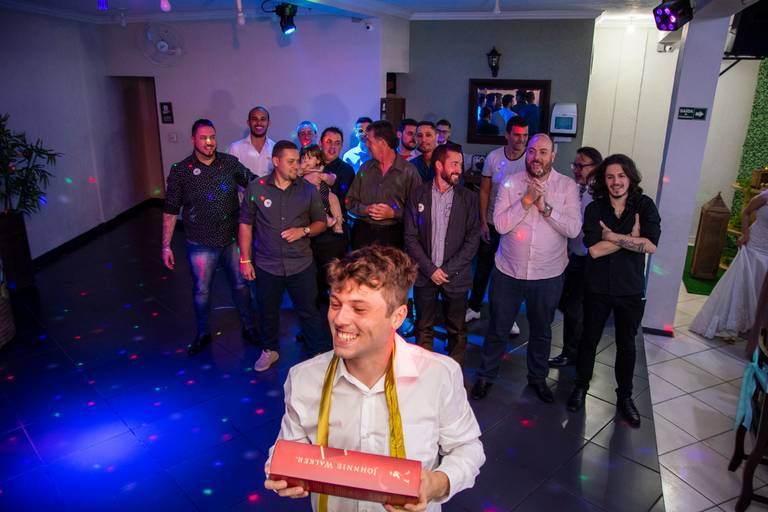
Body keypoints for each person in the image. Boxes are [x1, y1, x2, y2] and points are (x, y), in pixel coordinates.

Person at [263, 246, 485, 511]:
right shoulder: (303, 378)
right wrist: (280, 467)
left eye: (359, 309)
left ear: (398, 317)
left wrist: (436, 483)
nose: (339, 319)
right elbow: (288, 446)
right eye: (335, 304)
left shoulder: (439, 375)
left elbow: (467, 448)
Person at [471, 134, 581, 403]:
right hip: (508, 271)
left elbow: (573, 229)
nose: (536, 157)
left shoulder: (567, 186)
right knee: (498, 327)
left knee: (541, 330)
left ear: (553, 155)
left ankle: (538, 378)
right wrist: (526, 201)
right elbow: (500, 225)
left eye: (543, 152)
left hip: (548, 274)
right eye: (532, 151)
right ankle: (486, 376)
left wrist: (545, 208)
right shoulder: (511, 182)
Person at [567, 154, 661, 427]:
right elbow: (594, 251)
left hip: (630, 289)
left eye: (621, 176)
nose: (616, 181)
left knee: (626, 345)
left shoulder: (645, 205)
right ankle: (580, 387)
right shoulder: (594, 208)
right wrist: (632, 239)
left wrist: (612, 237)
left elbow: (651, 246)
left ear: (630, 177)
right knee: (588, 340)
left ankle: (625, 397)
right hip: (597, 287)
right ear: (603, 180)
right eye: (610, 177)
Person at [162, 119, 256, 355]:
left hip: (231, 238)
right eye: (203, 138)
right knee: (202, 291)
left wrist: (282, 180)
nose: (209, 142)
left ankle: (250, 327)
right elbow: (170, 210)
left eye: (212, 137)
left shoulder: (229, 163)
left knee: (241, 286)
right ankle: (203, 333)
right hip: (200, 243)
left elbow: (254, 182)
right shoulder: (181, 171)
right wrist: (166, 246)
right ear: (193, 140)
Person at [238, 140, 331, 371]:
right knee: (267, 311)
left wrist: (304, 230)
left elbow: (321, 222)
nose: (296, 166)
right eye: (291, 161)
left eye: (297, 161)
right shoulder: (256, 188)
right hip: (267, 265)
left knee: (309, 311)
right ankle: (269, 350)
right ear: (276, 161)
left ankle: (317, 353)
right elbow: (245, 224)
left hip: (301, 263)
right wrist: (245, 259)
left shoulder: (308, 189)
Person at [404, 143, 480, 365]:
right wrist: (430, 270)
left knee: (457, 330)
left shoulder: (468, 198)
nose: (459, 169)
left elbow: (472, 240)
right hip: (424, 276)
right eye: (454, 164)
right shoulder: (417, 195)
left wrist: (445, 271)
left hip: (455, 277)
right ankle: (424, 373)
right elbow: (410, 238)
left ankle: (454, 373)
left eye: (460, 164)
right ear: (439, 165)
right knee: (423, 327)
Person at [466, 117, 529, 335]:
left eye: (525, 135)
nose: (521, 140)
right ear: (507, 135)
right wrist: (483, 221)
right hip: (493, 222)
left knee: (511, 273)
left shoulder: (529, 159)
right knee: (483, 266)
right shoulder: (494, 157)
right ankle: (474, 307)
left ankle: (508, 317)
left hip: (518, 225)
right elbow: (484, 190)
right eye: (517, 135)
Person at [549, 147, 603, 368]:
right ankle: (577, 348)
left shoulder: (599, 193)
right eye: (575, 165)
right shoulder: (574, 188)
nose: (576, 170)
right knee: (565, 302)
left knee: (573, 306)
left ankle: (572, 353)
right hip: (572, 255)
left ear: (596, 167)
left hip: (590, 258)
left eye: (582, 166)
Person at [689, 189, 768, 340]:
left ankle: (756, 328)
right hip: (754, 245)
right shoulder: (764, 197)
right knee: (743, 283)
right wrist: (745, 234)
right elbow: (746, 213)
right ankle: (732, 325)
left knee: (761, 288)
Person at [346, 120, 421, 250]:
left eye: (370, 141)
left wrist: (393, 213)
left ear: (382, 143)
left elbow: (419, 212)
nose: (366, 144)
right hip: (363, 235)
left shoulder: (409, 172)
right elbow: (349, 201)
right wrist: (366, 209)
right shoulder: (365, 168)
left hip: (394, 237)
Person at [311, 127, 355, 309]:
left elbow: (345, 202)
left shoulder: (346, 170)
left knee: (334, 283)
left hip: (334, 237)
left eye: (337, 143)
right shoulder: (310, 165)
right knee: (311, 285)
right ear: (320, 143)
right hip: (310, 234)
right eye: (328, 142)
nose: (333, 147)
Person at [299, 144, 344, 235]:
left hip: (325, 192)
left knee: (334, 198)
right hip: (311, 195)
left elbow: (332, 179)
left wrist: (326, 177)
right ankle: (325, 218)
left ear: (318, 160)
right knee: (317, 204)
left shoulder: (321, 169)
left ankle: (338, 222)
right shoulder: (301, 171)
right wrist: (301, 169)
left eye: (309, 158)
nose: (306, 160)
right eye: (303, 158)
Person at [227, 106, 275, 177]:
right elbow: (230, 176)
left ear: (269, 123)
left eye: (263, 119)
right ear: (248, 123)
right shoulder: (235, 148)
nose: (259, 123)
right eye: (254, 119)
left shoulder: (274, 148)